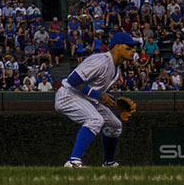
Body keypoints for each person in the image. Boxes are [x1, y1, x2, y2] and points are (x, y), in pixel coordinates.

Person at [57, 31, 136, 168]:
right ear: (117, 47)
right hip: (68, 94)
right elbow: (73, 80)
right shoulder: (101, 61)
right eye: (129, 47)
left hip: (85, 97)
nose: (133, 50)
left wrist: (115, 102)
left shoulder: (116, 69)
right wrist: (98, 96)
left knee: (115, 126)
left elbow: (98, 90)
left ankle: (109, 162)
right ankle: (73, 161)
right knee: (95, 120)